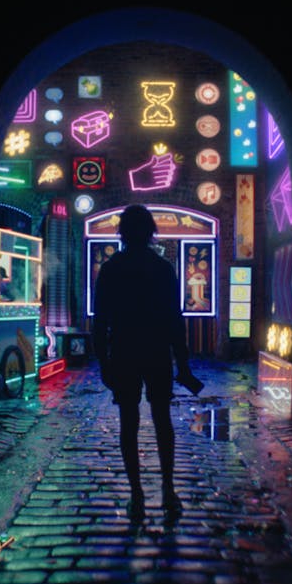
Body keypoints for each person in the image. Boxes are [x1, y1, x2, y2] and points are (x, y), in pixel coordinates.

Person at [92, 204, 202, 520]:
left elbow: (100, 322)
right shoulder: (163, 269)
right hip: (157, 351)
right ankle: (168, 489)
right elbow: (174, 320)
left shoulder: (111, 269)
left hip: (124, 351)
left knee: (129, 423)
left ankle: (136, 495)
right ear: (151, 231)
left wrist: (103, 362)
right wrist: (182, 362)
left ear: (122, 232)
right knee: (162, 420)